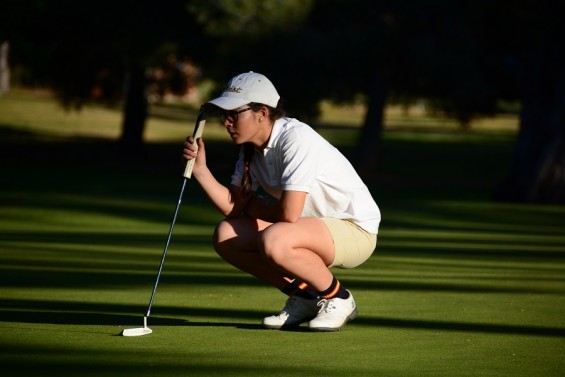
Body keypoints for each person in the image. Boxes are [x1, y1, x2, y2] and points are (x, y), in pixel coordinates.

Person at [182, 71, 380, 331]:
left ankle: (339, 298)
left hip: (355, 229)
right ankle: (305, 297)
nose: (226, 122)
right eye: (223, 115)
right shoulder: (249, 149)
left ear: (262, 113)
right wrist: (201, 171)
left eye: (234, 114)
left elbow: (288, 214)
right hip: (307, 229)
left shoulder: (295, 138)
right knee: (226, 235)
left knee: (274, 238)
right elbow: (234, 207)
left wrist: (254, 207)